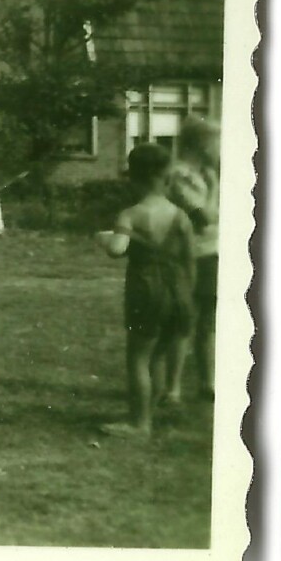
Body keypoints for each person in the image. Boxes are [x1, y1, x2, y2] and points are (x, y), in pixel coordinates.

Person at [97, 143, 196, 439]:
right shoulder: (181, 215)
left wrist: (102, 238)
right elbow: (190, 259)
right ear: (166, 177)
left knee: (138, 356)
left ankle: (139, 423)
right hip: (178, 288)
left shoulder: (131, 214)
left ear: (134, 179)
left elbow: (117, 249)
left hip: (147, 289)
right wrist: (187, 294)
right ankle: (147, 415)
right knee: (159, 356)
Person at [168, 116, 221, 401]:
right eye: (215, 143)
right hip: (190, 256)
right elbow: (204, 218)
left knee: (208, 322)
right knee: (184, 322)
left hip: (211, 253)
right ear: (201, 144)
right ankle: (173, 388)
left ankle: (207, 383)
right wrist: (213, 189)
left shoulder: (204, 174)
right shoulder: (180, 176)